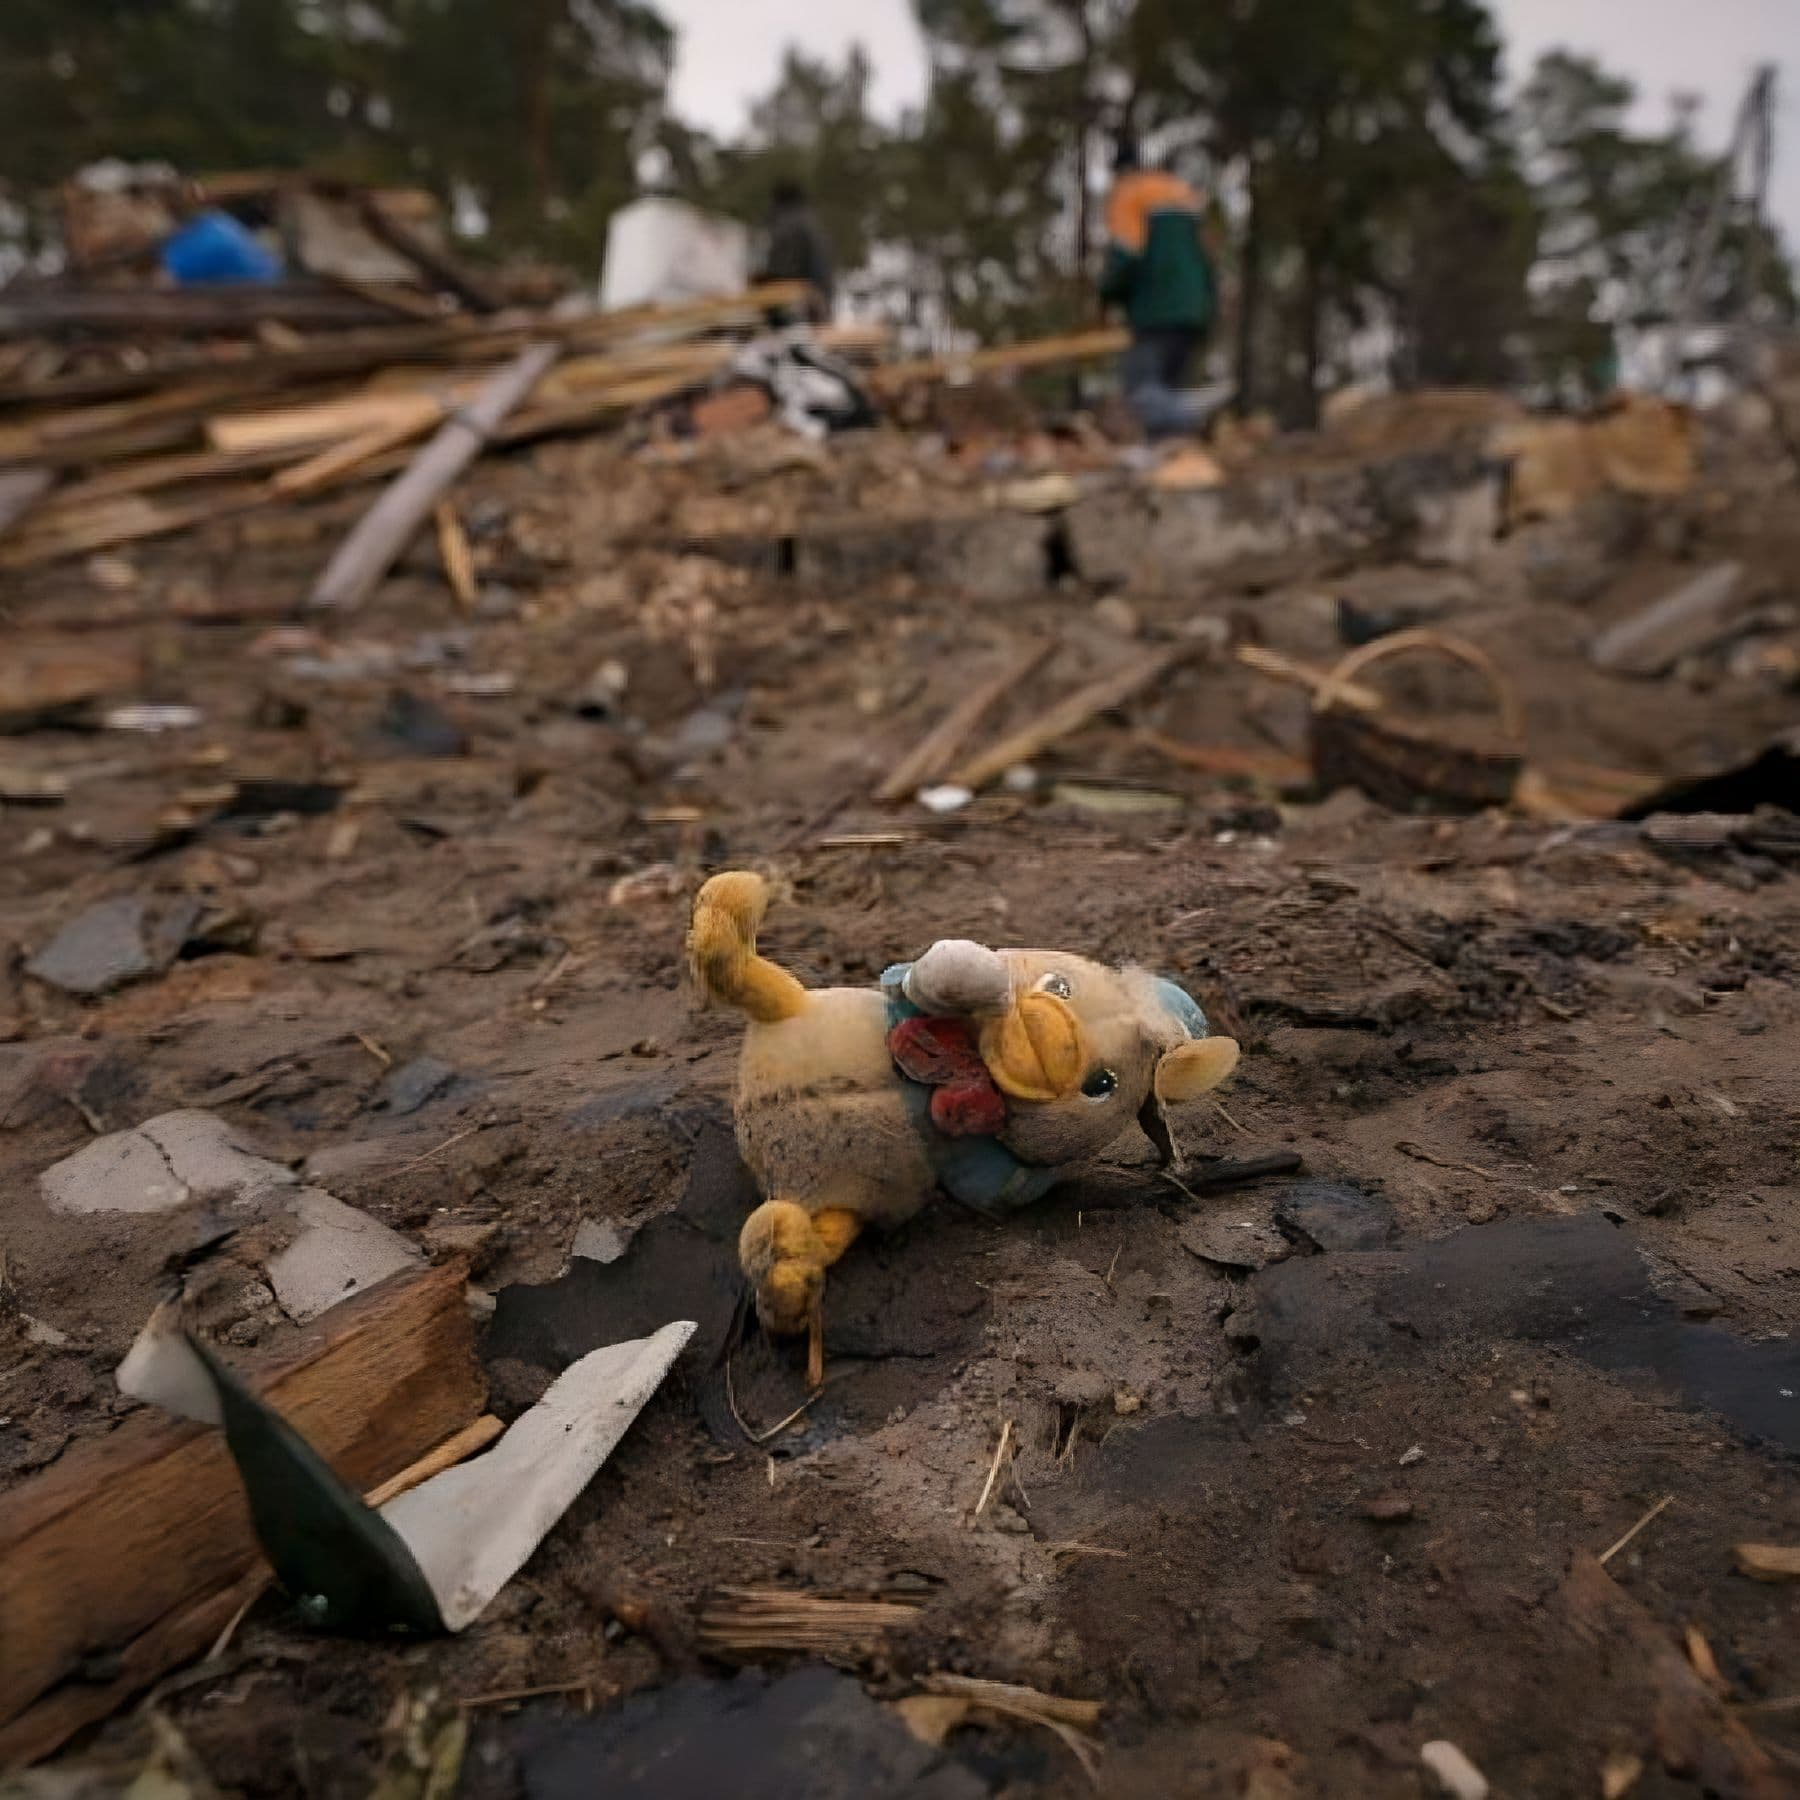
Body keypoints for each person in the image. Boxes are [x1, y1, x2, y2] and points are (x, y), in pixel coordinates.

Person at [1098, 137, 1217, 437]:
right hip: (1195, 309)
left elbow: (1126, 256)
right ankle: (1174, 448)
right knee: (1168, 387)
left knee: (1142, 390)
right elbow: (1207, 257)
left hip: (1155, 311)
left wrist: (1107, 295)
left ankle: (1186, 414)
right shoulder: (1182, 194)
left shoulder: (1129, 194)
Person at [758, 178, 834, 324]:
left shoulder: (788, 224)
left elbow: (783, 270)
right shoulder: (812, 221)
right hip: (819, 303)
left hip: (797, 305)